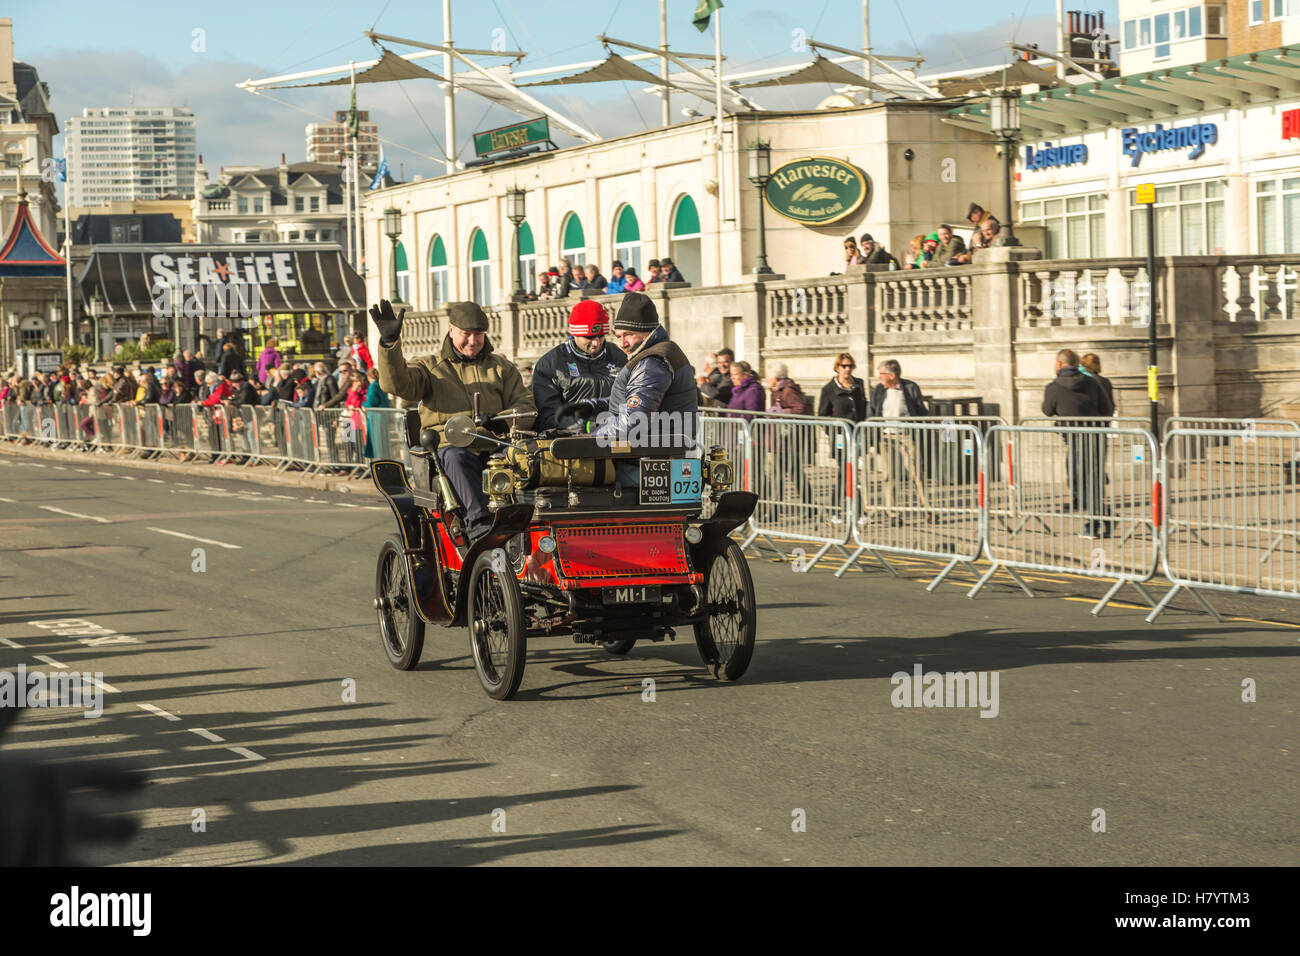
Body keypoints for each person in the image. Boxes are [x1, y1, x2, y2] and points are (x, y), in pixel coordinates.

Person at [373, 298, 536, 540]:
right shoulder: (430, 367)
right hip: (452, 451)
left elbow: (526, 405)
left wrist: (503, 421)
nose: (473, 341)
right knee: (455, 457)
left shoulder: (501, 367)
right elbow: (396, 384)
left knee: (528, 457)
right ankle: (480, 523)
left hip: (496, 446)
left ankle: (531, 520)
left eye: (479, 334)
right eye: (466, 334)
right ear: (451, 331)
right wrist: (390, 344)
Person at [581, 292, 699, 488]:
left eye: (628, 335)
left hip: (648, 466)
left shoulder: (651, 362)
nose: (622, 343)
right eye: (618, 336)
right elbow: (637, 398)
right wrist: (593, 405)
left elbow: (633, 420)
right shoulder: (661, 352)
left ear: (647, 332)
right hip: (660, 461)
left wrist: (592, 439)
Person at [1043, 348, 1115, 538]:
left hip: (1076, 438)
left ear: (1059, 364)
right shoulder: (1094, 383)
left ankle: (1094, 523)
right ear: (1076, 364)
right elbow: (1108, 408)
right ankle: (1104, 517)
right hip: (1097, 436)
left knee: (1079, 482)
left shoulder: (1054, 387)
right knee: (1091, 482)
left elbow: (1047, 410)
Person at [530, 299, 626, 432]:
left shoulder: (619, 356)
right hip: (573, 443)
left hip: (616, 435)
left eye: (601, 336)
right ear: (574, 334)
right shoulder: (551, 363)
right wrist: (586, 426)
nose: (596, 343)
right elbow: (547, 418)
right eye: (589, 337)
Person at [868, 359, 930, 523]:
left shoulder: (910, 388)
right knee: (890, 476)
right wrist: (872, 442)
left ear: (892, 375)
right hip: (887, 438)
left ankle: (928, 510)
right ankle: (893, 513)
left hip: (907, 435)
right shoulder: (878, 391)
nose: (879, 377)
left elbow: (920, 410)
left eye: (882, 374)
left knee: (917, 473)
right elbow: (872, 415)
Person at [818, 353, 867, 422]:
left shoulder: (859, 383)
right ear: (837, 368)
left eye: (850, 366)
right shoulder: (828, 389)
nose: (848, 369)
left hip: (859, 430)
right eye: (844, 366)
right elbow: (822, 417)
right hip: (840, 431)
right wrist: (834, 431)